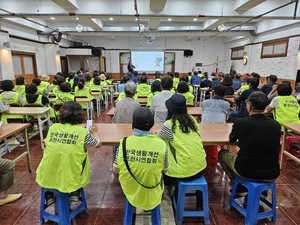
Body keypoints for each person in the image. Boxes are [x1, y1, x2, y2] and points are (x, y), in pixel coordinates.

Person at [36, 101, 102, 205]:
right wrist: (95, 132)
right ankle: (75, 191)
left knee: (56, 162)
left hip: (47, 173)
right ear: (80, 115)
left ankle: (49, 195)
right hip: (71, 174)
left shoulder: (53, 128)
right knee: (76, 164)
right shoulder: (82, 132)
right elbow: (98, 144)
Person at [218, 92, 281, 196]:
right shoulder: (276, 125)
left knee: (222, 154)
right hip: (272, 172)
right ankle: (262, 190)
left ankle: (237, 186)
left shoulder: (241, 123)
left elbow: (232, 139)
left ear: (249, 106)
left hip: (246, 171)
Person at [113, 107, 168, 211]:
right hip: (152, 192)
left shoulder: (123, 143)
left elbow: (115, 170)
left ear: (133, 124)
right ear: (152, 124)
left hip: (130, 190)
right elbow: (165, 170)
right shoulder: (161, 144)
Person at [157, 94, 207, 192]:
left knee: (159, 167)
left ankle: (168, 192)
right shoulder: (192, 120)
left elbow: (159, 139)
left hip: (183, 172)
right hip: (201, 168)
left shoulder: (169, 124)